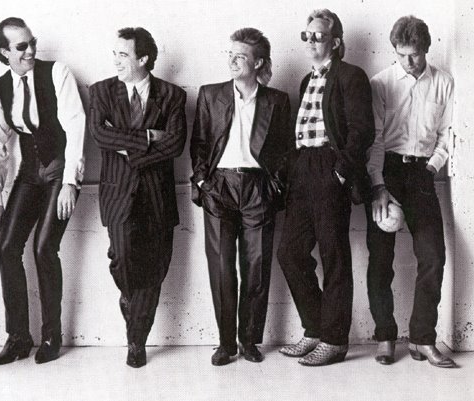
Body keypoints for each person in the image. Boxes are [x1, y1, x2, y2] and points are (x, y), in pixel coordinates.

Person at [0, 17, 85, 365]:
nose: (30, 51)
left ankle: (51, 336)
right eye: (21, 46)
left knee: (44, 248)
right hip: (29, 174)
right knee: (6, 247)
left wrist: (70, 182)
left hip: (59, 170)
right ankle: (18, 338)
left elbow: (75, 125)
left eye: (32, 43)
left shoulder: (57, 72)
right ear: (4, 52)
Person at [277, 9, 375, 366]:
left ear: (335, 42)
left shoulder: (350, 76)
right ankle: (316, 328)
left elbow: (362, 130)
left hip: (329, 167)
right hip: (303, 168)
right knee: (290, 253)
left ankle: (334, 341)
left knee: (334, 256)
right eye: (306, 35)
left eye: (318, 35)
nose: (310, 40)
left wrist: (340, 173)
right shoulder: (307, 80)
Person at [190, 28, 290, 366]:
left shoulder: (277, 100)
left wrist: (275, 185)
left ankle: (248, 341)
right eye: (230, 54)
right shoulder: (210, 94)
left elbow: (284, 150)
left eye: (241, 56)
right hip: (219, 186)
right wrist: (203, 181)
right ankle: (225, 343)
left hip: (258, 188)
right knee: (221, 267)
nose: (232, 61)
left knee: (256, 266)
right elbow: (200, 142)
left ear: (258, 63)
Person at [88, 27, 186, 368]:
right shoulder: (101, 91)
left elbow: (175, 144)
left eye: (123, 55)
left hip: (158, 196)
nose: (116, 61)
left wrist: (126, 147)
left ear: (143, 59)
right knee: (123, 259)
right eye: (114, 54)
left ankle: (136, 342)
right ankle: (134, 309)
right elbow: (99, 135)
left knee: (155, 268)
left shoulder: (172, 95)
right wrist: (147, 138)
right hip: (118, 194)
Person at [366, 16, 456, 368]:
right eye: (401, 54)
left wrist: (432, 167)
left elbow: (447, 134)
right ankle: (385, 337)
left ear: (426, 50)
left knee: (433, 256)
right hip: (386, 171)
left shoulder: (443, 83)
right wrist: (378, 185)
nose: (408, 62)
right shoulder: (381, 83)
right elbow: (375, 138)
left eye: (414, 55)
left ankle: (422, 338)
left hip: (422, 173)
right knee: (380, 259)